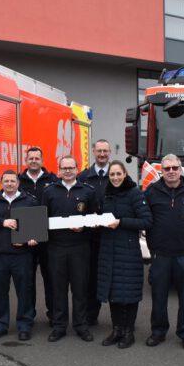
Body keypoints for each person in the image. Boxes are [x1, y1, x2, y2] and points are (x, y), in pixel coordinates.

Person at [144, 154, 184, 350]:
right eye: (167, 168)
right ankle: (158, 331)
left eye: (174, 168)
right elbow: (146, 220)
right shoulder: (151, 192)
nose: (171, 172)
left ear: (181, 169)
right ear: (162, 171)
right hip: (160, 254)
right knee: (159, 296)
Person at [96, 161, 152, 349]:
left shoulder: (134, 193)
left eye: (118, 174)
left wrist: (121, 222)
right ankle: (117, 329)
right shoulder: (107, 194)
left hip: (127, 251)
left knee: (129, 292)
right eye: (112, 175)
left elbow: (146, 221)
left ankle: (128, 332)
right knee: (113, 292)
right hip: (108, 250)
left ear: (125, 173)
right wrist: (98, 222)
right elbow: (101, 215)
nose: (115, 177)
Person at [41, 155, 96, 342]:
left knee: (80, 289)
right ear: (59, 170)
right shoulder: (49, 192)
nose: (68, 171)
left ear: (77, 169)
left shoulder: (88, 191)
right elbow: (41, 218)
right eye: (64, 168)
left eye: (71, 168)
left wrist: (84, 226)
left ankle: (81, 325)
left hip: (80, 247)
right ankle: (59, 326)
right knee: (58, 289)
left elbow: (94, 217)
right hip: (56, 247)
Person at [0, 171, 39, 341]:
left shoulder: (30, 201)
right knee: (0, 292)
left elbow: (38, 225)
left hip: (22, 256)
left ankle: (25, 325)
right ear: (1, 183)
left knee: (24, 292)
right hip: (0, 255)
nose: (9, 184)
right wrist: (1, 222)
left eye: (12, 181)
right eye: (6, 181)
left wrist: (31, 238)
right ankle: (0, 325)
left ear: (18, 183)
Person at [18, 146, 58, 325]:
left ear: (42, 160)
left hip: (48, 238)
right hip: (26, 237)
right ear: (26, 160)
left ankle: (53, 314)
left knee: (51, 278)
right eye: (30, 158)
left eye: (37, 158)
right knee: (27, 280)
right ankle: (28, 316)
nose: (33, 161)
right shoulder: (18, 181)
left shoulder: (53, 180)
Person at [78, 139, 112, 325]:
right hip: (88, 237)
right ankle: (90, 315)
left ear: (109, 153)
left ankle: (118, 318)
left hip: (110, 235)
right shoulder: (83, 177)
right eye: (99, 151)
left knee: (109, 275)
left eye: (105, 151)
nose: (102, 154)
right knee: (89, 277)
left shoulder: (117, 176)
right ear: (93, 152)